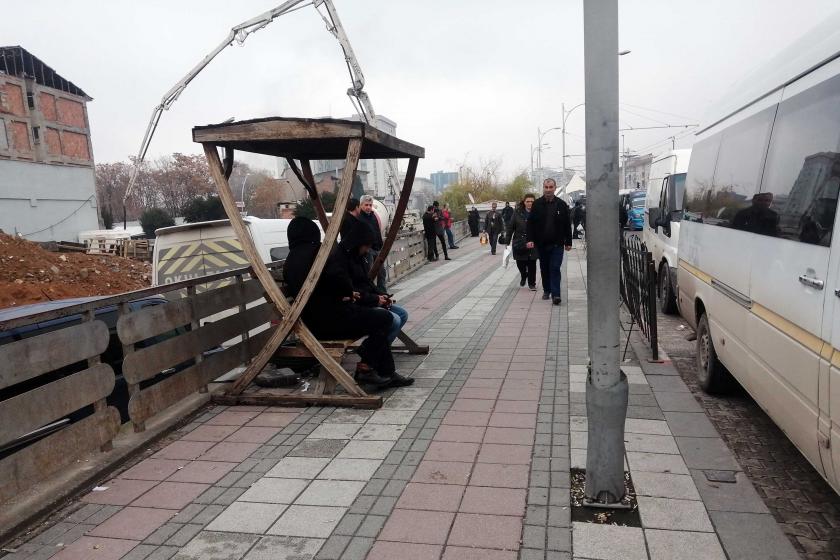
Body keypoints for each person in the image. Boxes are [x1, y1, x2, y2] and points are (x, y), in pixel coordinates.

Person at [282, 217, 398, 388]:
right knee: (384, 319)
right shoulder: (318, 252)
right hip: (331, 321)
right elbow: (340, 281)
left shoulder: (290, 261)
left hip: (310, 322)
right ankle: (368, 369)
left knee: (377, 318)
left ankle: (381, 371)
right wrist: (346, 293)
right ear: (312, 232)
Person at [526, 179, 573, 305]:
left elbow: (567, 224)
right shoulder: (537, 204)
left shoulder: (561, 205)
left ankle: (556, 294)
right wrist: (530, 239)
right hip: (541, 243)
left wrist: (569, 241)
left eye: (550, 187)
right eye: (546, 187)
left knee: (555, 267)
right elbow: (530, 223)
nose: (548, 189)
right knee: (544, 268)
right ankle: (547, 290)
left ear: (555, 188)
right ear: (543, 188)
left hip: (557, 243)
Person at [506, 193, 538, 290]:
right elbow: (510, 227)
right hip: (519, 242)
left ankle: (532, 283)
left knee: (532, 263)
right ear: (524, 202)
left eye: (532, 201)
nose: (530, 203)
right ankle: (524, 275)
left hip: (533, 242)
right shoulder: (517, 213)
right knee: (521, 263)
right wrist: (507, 241)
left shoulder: (538, 212)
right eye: (528, 201)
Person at [359, 195, 387, 291]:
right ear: (361, 205)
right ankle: (371, 292)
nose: (368, 207)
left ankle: (382, 291)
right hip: (367, 249)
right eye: (366, 205)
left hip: (377, 247)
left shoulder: (373, 216)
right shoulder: (359, 217)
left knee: (382, 272)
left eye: (370, 205)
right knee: (369, 272)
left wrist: (380, 245)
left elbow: (377, 231)